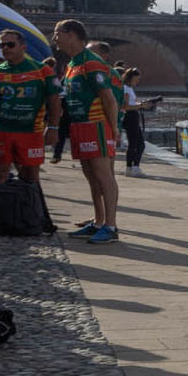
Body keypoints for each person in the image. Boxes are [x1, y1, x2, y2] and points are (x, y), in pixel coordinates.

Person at [53, 20, 121, 243]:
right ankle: (98, 222)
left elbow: (109, 100)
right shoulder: (72, 64)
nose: (54, 39)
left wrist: (114, 129)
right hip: (80, 125)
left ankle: (110, 227)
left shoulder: (92, 63)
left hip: (97, 124)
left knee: (104, 176)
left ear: (71, 34)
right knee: (92, 178)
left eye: (57, 34)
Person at [0, 28, 63, 187]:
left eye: (10, 45)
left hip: (31, 133)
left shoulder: (42, 70)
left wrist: (53, 127)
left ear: (23, 47)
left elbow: (54, 100)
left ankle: (30, 209)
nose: (5, 48)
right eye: (2, 45)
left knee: (30, 176)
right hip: (1, 132)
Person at [119, 68, 155, 177]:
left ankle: (131, 168)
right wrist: (141, 106)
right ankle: (133, 168)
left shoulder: (128, 88)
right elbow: (125, 106)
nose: (138, 81)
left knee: (135, 144)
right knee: (138, 144)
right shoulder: (126, 89)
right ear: (130, 78)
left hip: (131, 117)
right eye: (136, 79)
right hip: (130, 117)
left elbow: (130, 103)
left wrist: (141, 104)